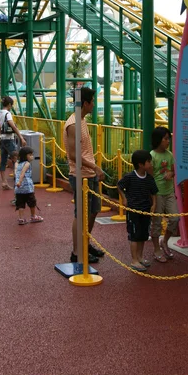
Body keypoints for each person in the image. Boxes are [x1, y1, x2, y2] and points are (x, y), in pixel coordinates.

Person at [63, 86, 105, 264]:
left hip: (89, 173)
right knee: (80, 214)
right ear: (85, 103)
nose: (94, 105)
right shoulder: (73, 125)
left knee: (94, 211)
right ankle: (76, 251)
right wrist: (95, 167)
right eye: (92, 102)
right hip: (81, 175)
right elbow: (73, 155)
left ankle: (85, 244)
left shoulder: (82, 120)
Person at [118, 149, 157, 272]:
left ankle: (140, 257)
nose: (150, 164)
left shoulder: (149, 178)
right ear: (141, 164)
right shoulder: (130, 177)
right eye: (148, 162)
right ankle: (134, 260)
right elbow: (119, 185)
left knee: (143, 235)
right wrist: (124, 198)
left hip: (145, 211)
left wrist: (154, 204)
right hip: (133, 211)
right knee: (134, 235)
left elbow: (153, 192)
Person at [150, 126, 179, 263]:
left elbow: (173, 171)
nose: (168, 141)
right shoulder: (152, 156)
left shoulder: (170, 155)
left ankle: (165, 241)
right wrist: (152, 197)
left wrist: (171, 174)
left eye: (169, 138)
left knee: (175, 218)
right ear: (158, 140)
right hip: (158, 194)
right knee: (156, 223)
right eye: (165, 139)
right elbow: (149, 177)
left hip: (169, 192)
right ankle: (156, 249)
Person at [0, 96, 26, 190]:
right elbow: (13, 126)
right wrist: (21, 137)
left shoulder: (0, 113)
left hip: (2, 139)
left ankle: (4, 182)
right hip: (9, 139)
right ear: (9, 104)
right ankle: (17, 179)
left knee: (3, 161)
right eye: (11, 105)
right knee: (15, 159)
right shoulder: (7, 114)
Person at [14, 146, 44, 225]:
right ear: (25, 156)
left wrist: (17, 182)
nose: (32, 156)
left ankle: (21, 218)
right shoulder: (27, 164)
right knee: (32, 202)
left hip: (19, 188)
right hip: (27, 187)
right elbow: (22, 173)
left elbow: (16, 171)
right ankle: (33, 216)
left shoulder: (17, 163)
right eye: (30, 155)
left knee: (20, 203)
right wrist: (20, 181)